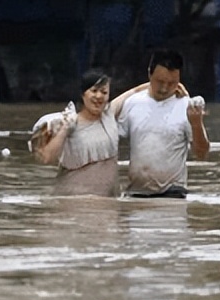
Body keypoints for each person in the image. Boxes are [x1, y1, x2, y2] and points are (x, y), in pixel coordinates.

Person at [31, 70, 154, 197]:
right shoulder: (70, 123)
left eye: (104, 92)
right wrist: (65, 128)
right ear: (83, 94)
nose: (99, 96)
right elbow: (47, 157)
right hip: (73, 200)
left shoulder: (109, 114)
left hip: (108, 201)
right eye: (94, 91)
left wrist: (163, 85)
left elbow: (135, 91)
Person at [118, 49, 210, 199]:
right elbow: (112, 138)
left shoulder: (188, 107)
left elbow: (202, 154)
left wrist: (196, 124)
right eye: (160, 82)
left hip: (172, 194)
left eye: (172, 83)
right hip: (136, 193)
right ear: (150, 74)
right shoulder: (132, 103)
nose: (165, 88)